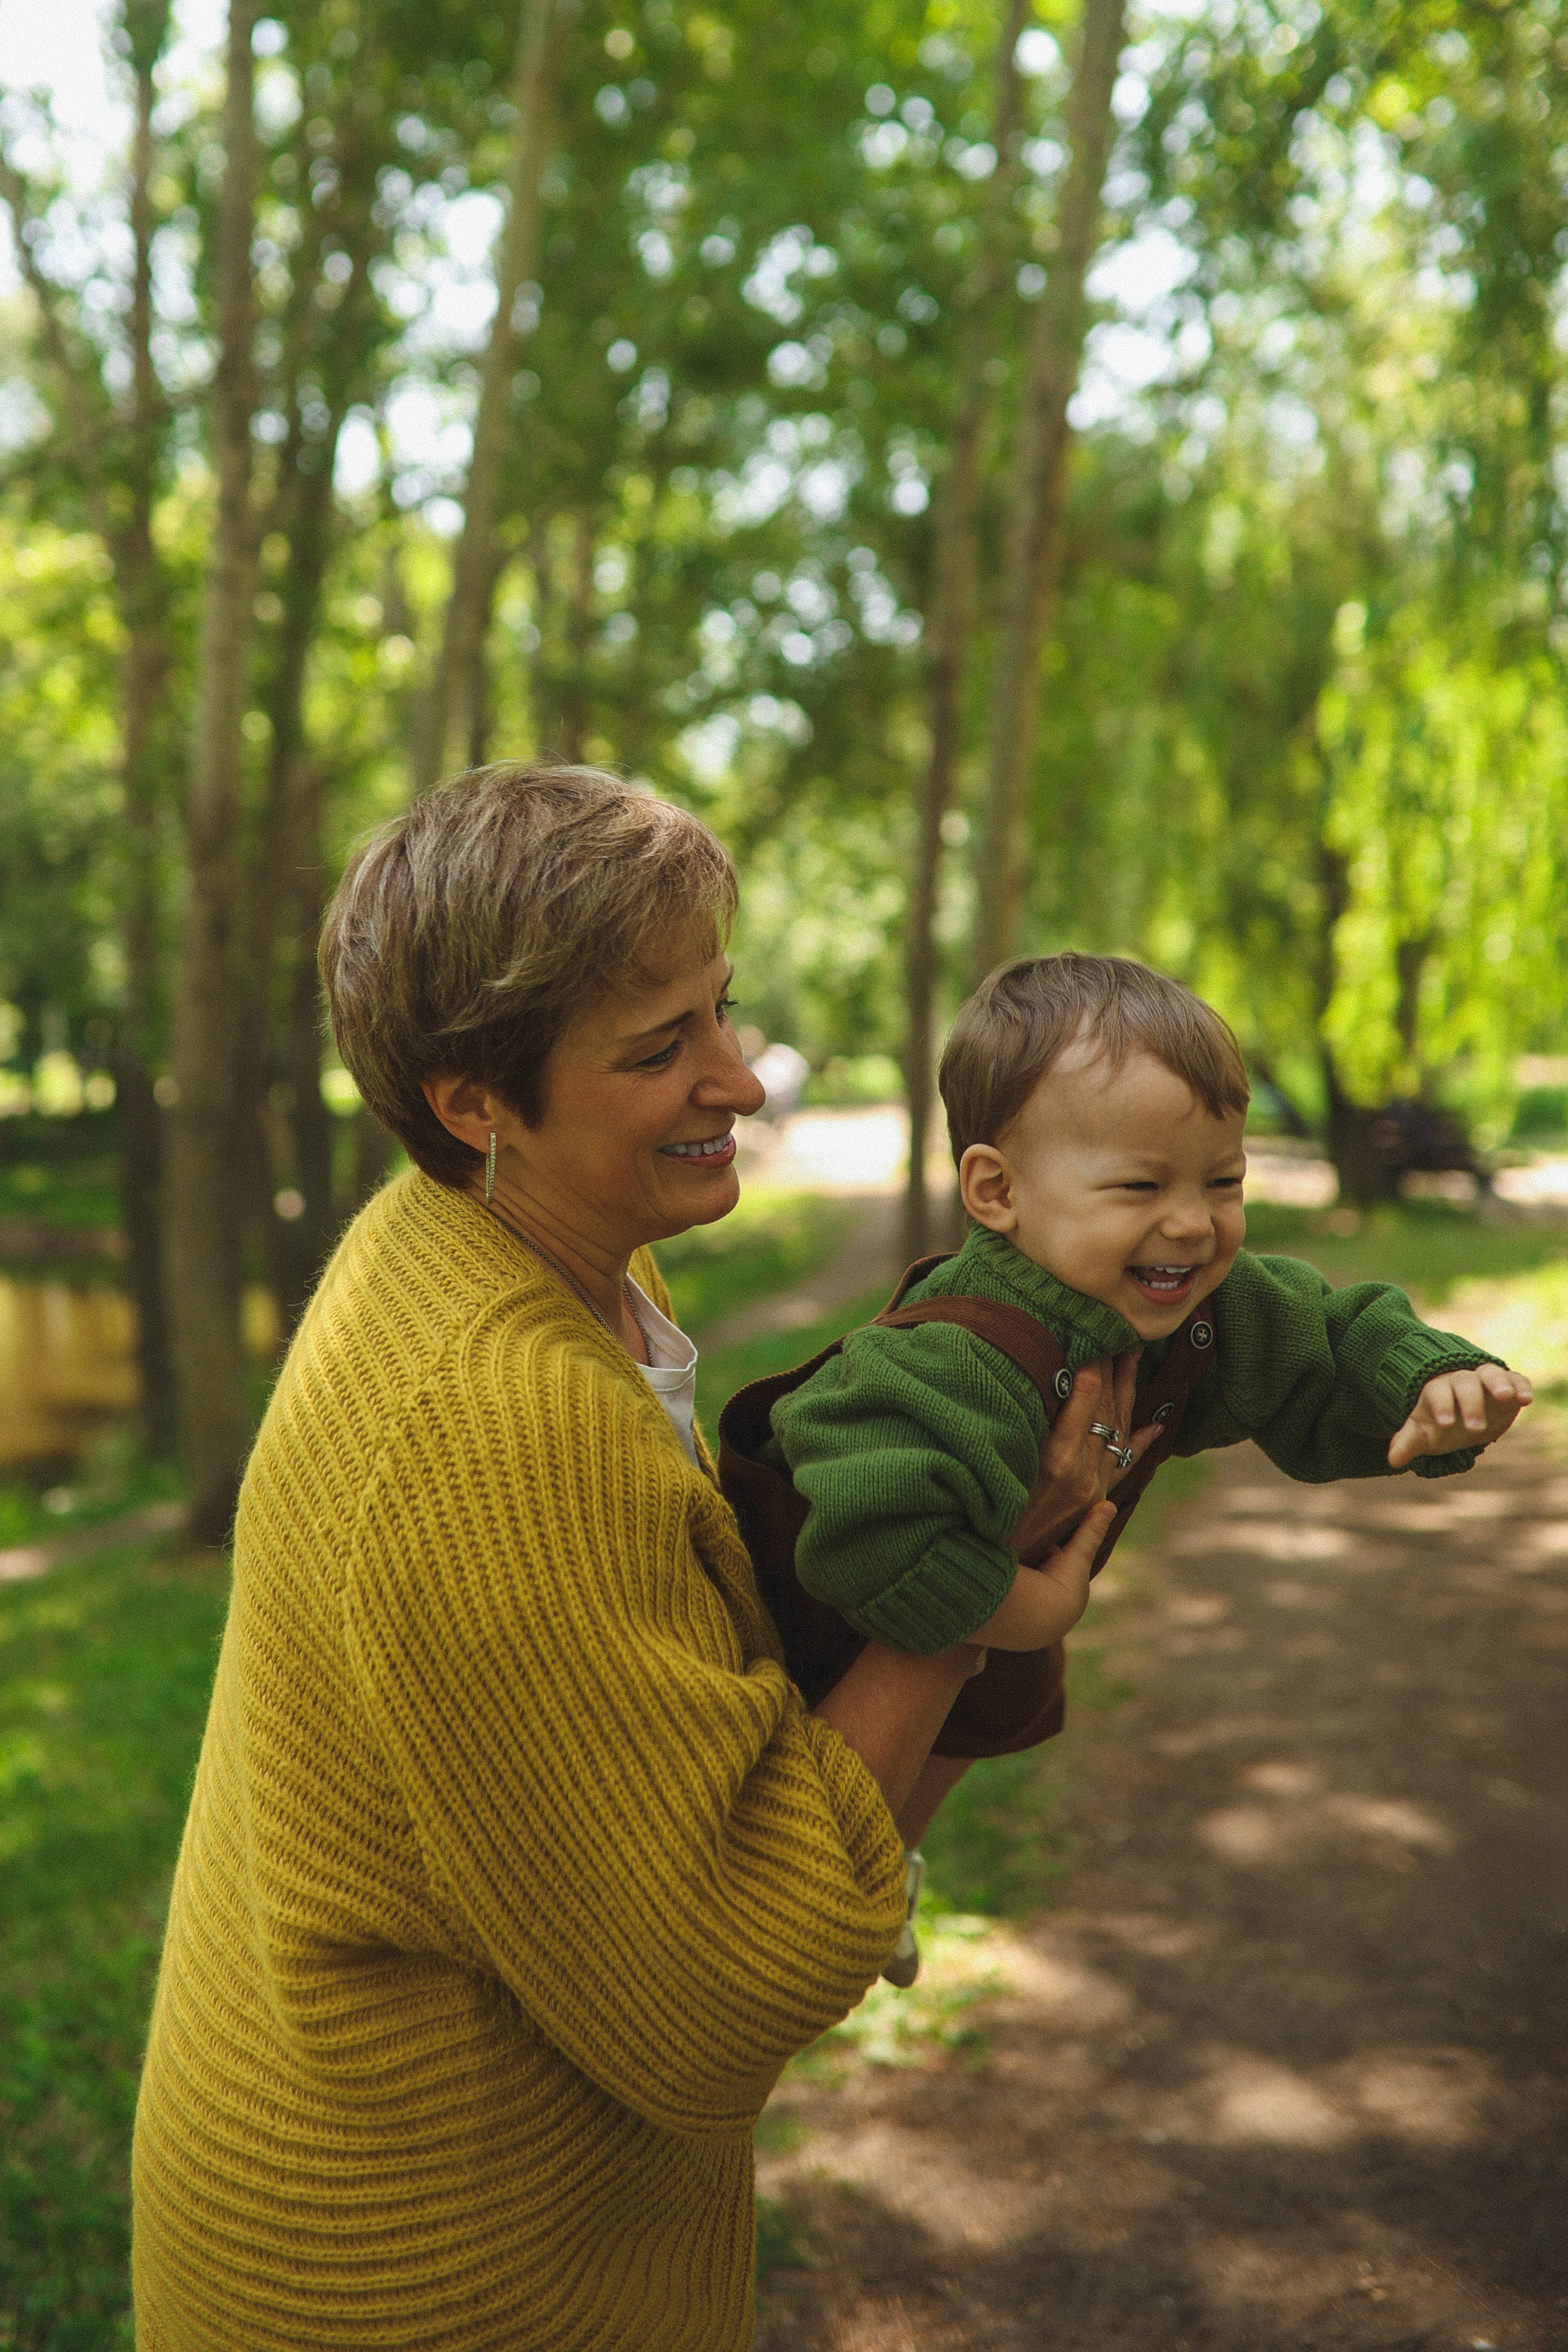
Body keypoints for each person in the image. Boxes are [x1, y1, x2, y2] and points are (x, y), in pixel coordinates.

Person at [129, 767, 1128, 2352]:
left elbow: (671, 1728)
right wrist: (964, 1595)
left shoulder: (485, 1239)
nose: (736, 1078)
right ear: (475, 1101)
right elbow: (719, 1991)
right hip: (432, 2278)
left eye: (719, 1011)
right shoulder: (499, 1423)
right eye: (661, 1049)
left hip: (403, 2181)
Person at [742, 954, 1533, 1983]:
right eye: (1140, 1186)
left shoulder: (1189, 1308)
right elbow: (868, 1537)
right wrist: (1037, 1608)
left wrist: (1431, 1385)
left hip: (963, 1596)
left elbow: (1329, 1338)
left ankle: (888, 1854)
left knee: (1008, 1693)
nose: (1194, 1223)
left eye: (1224, 1180)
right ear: (997, 1192)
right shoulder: (952, 1360)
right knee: (1003, 1663)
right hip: (800, 1642)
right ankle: (858, 1856)